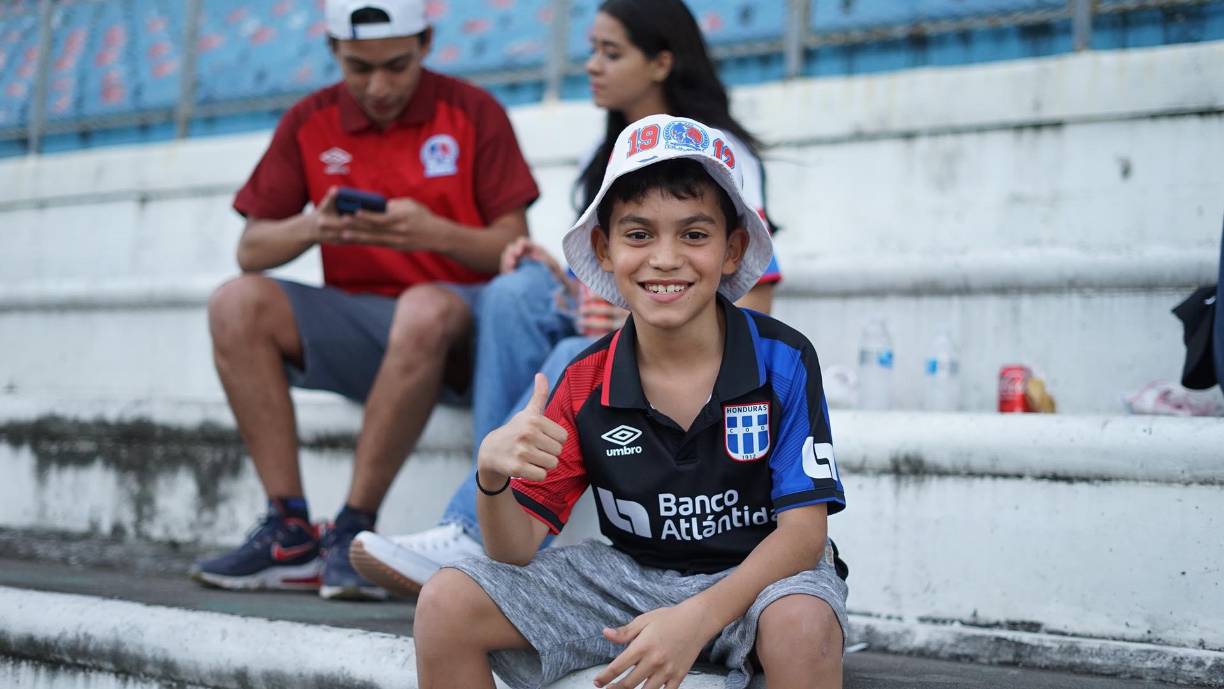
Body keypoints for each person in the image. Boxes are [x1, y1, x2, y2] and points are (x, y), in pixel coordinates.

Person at [349, 0, 784, 594]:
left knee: (578, 359)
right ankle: (493, 480)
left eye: (611, 52)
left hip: (680, 341)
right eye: (590, 49)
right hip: (626, 330)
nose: (591, 66)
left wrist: (628, 314)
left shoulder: (723, 157)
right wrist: (557, 274)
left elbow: (747, 300)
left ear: (661, 62)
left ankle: (473, 534)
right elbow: (609, 276)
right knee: (512, 293)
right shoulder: (599, 159)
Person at [413, 114, 848, 689]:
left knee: (803, 620)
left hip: (761, 578)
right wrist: (491, 475)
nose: (665, 258)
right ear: (605, 248)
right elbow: (513, 547)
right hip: (630, 580)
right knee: (445, 601)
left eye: (694, 234)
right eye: (639, 235)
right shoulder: (583, 378)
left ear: (732, 248)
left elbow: (802, 535)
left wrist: (694, 620)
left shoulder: (783, 358)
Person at [188, 0, 541, 600]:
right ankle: (291, 530)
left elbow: (514, 247)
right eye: (359, 67)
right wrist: (314, 227)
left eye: (396, 66)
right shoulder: (310, 118)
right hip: (369, 329)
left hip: (461, 330)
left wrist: (432, 232)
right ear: (333, 54)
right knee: (235, 303)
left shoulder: (473, 111)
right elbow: (252, 249)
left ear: (427, 43)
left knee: (425, 307)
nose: (378, 85)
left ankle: (354, 526)